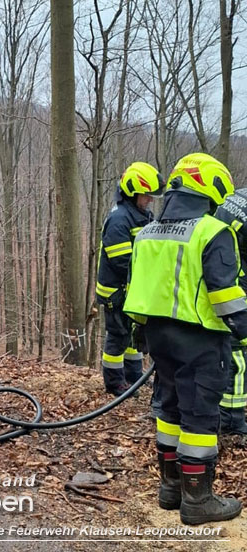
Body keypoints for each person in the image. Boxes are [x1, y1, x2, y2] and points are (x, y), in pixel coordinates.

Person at [124, 153, 245, 525]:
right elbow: (225, 296)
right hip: (201, 339)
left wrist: (141, 335)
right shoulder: (213, 231)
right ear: (211, 188)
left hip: (159, 337)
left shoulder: (147, 232)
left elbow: (139, 290)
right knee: (200, 417)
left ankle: (170, 488)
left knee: (169, 409)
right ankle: (198, 500)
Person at [96, 162, 165, 396]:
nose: (150, 200)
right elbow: (121, 261)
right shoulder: (119, 219)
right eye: (147, 195)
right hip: (115, 291)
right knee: (117, 337)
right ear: (133, 192)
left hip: (132, 289)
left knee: (132, 335)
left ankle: (133, 376)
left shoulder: (141, 215)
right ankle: (115, 382)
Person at [214, 189, 247, 440]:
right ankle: (232, 419)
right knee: (238, 352)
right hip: (234, 278)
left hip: (219, 269)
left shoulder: (238, 196)